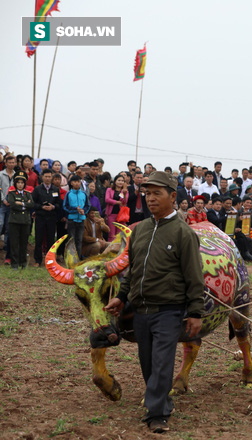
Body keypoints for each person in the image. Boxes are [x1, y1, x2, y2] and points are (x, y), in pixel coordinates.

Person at [104, 171, 205, 433]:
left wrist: (195, 312)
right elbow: (132, 270)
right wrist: (121, 296)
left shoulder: (184, 233)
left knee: (161, 363)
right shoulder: (140, 231)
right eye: (147, 193)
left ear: (173, 196)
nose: (150, 198)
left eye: (156, 193)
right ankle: (162, 401)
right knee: (148, 364)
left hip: (168, 311)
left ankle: (158, 414)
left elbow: (194, 277)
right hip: (141, 310)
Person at [32, 168, 62, 267]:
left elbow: (59, 204)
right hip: (40, 217)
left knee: (50, 240)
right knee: (39, 239)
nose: (48, 178)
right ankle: (38, 260)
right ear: (42, 177)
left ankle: (50, 261)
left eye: (50, 177)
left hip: (51, 218)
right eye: (46, 176)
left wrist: (53, 207)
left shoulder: (55, 189)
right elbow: (33, 203)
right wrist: (41, 207)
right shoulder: (37, 189)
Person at [7, 171, 34, 269]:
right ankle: (14, 264)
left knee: (23, 243)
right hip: (14, 221)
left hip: (25, 221)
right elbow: (13, 205)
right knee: (14, 243)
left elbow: (31, 205)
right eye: (18, 182)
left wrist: (21, 203)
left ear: (24, 184)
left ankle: (23, 263)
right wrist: (25, 204)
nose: (20, 184)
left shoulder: (28, 193)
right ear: (15, 183)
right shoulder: (12, 193)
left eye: (22, 183)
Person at [63, 175, 90, 259]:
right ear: (71, 183)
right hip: (72, 219)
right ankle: (70, 258)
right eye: (75, 182)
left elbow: (88, 206)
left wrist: (83, 211)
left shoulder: (84, 194)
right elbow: (65, 206)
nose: (77, 183)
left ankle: (77, 258)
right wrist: (76, 210)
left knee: (79, 240)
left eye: (78, 182)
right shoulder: (69, 194)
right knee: (71, 240)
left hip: (81, 220)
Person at [105, 174, 129, 241]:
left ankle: (119, 249)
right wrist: (117, 202)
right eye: (119, 180)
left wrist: (124, 194)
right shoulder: (109, 190)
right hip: (111, 214)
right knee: (111, 234)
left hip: (121, 215)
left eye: (122, 181)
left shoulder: (125, 191)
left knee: (120, 234)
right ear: (115, 181)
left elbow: (125, 202)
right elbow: (107, 199)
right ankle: (110, 249)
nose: (120, 182)